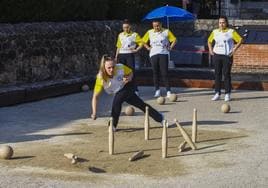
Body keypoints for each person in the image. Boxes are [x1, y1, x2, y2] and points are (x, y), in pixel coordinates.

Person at [91, 55, 165, 131]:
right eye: (109, 68)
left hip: (128, 86)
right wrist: (94, 112)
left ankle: (112, 125)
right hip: (118, 90)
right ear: (103, 67)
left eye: (113, 67)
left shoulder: (120, 67)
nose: (112, 69)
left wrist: (129, 78)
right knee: (141, 105)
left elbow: (130, 72)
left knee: (117, 101)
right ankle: (160, 118)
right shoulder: (100, 78)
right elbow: (95, 97)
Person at [208, 16, 243, 101]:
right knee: (217, 74)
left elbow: (240, 40)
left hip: (227, 56)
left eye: (223, 22)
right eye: (220, 22)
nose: (221, 24)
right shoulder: (215, 32)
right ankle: (217, 93)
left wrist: (234, 49)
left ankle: (227, 93)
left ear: (226, 23)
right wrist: (210, 49)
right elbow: (209, 41)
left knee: (226, 74)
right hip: (217, 55)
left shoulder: (231, 31)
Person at [142, 20, 177, 98]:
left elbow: (174, 40)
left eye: (157, 26)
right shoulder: (149, 32)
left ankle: (168, 91)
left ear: (161, 25)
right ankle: (157, 90)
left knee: (164, 72)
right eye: (154, 26)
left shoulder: (166, 31)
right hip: (153, 53)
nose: (156, 27)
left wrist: (170, 47)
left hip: (163, 53)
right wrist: (147, 47)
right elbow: (143, 41)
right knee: (155, 72)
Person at [115, 19, 143, 96]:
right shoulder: (120, 35)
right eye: (124, 27)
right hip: (121, 54)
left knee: (131, 72)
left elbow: (141, 43)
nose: (125, 29)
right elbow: (118, 46)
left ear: (130, 26)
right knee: (121, 72)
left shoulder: (134, 35)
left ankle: (135, 89)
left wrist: (136, 49)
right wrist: (116, 56)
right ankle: (122, 89)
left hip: (129, 54)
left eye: (127, 27)